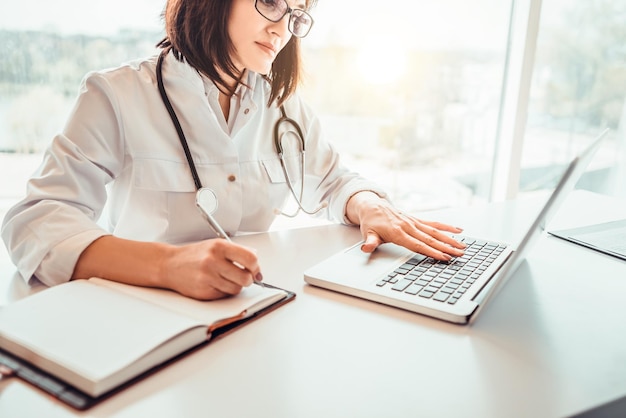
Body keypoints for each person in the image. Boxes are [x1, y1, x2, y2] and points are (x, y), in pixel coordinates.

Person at [1, 0, 465, 301]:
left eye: (296, 15)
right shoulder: (116, 94)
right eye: (271, 3)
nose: (283, 29)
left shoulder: (283, 107)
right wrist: (168, 265)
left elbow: (332, 179)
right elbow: (36, 221)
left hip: (248, 306)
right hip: (137, 310)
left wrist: (369, 205)